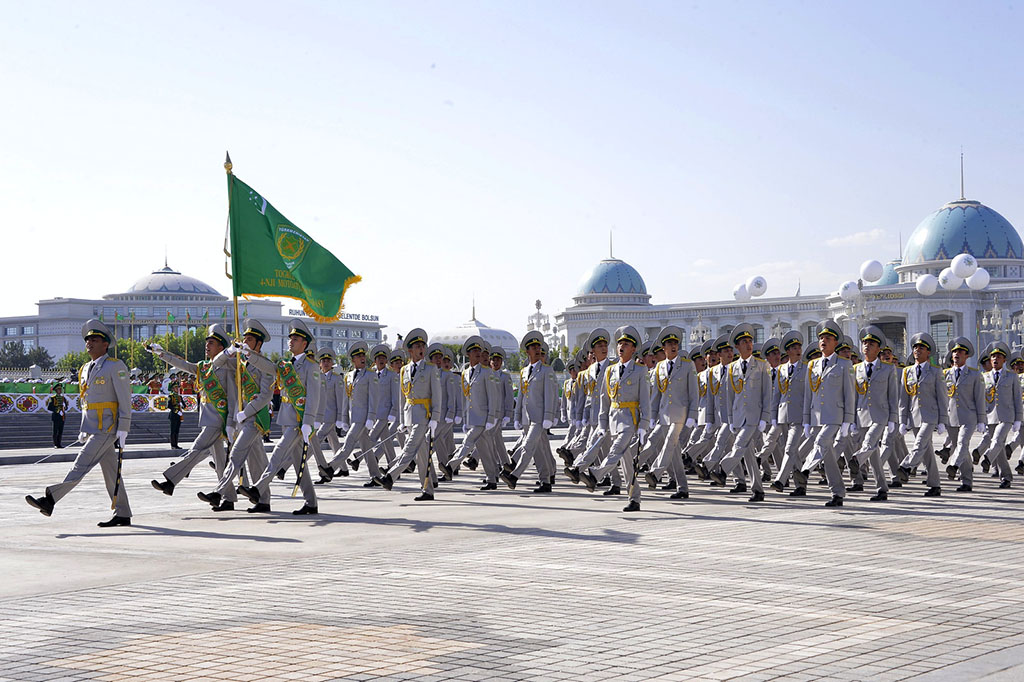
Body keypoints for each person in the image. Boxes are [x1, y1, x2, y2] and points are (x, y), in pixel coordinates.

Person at [26, 320, 133, 527]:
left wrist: (124, 427)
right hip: (94, 428)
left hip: (108, 428)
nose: (89, 343)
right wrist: (84, 428)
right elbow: (87, 402)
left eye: (95, 339)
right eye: (88, 340)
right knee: (111, 473)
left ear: (105, 344)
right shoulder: (85, 368)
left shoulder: (115, 366)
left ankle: (50, 499)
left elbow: (124, 398)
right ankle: (123, 512)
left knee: (81, 464)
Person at [147, 324, 238, 505]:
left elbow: (234, 397)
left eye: (211, 343)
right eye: (207, 343)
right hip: (206, 418)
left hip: (218, 419)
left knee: (196, 449)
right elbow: (182, 364)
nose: (207, 346)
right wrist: (161, 353)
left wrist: (231, 422)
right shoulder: (203, 367)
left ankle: (171, 480)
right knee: (220, 461)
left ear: (221, 348)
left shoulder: (229, 368)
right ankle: (228, 498)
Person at [240, 319, 322, 515]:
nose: (291, 341)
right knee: (297, 463)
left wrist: (308, 422)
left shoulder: (311, 367)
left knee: (278, 453)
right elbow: (267, 366)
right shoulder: (285, 365)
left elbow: (314, 396)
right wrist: (248, 354)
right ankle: (311, 503)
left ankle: (257, 489)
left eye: (295, 338)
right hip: (286, 419)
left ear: (305, 343)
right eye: (290, 338)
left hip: (299, 421)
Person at [579, 325, 650, 512]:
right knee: (627, 462)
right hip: (613, 419)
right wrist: (602, 424)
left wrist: (643, 426)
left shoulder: (640, 371)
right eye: (620, 343)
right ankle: (634, 499)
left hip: (631, 420)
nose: (621, 346)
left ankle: (595, 475)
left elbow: (645, 401)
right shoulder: (610, 371)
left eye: (626, 344)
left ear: (633, 349)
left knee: (616, 450)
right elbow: (604, 400)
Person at [373, 328, 442, 501]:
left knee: (409, 448)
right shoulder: (404, 370)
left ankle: (390, 476)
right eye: (417, 346)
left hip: (423, 416)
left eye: (422, 346)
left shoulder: (430, 369)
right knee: (421, 454)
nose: (421, 349)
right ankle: (428, 490)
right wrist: (403, 420)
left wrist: (435, 418)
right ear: (410, 351)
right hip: (410, 415)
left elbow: (437, 395)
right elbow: (402, 397)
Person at [709, 324, 772, 502]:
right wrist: (729, 420)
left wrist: (764, 417)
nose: (748, 344)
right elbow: (729, 396)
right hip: (738, 416)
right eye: (744, 342)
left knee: (739, 444)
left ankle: (722, 470)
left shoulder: (761, 365)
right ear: (737, 346)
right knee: (749, 454)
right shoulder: (732, 368)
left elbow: (767, 393)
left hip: (754, 416)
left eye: (750, 341)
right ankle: (758, 490)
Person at [798, 319, 854, 507]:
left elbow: (849, 394)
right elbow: (808, 394)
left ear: (835, 342)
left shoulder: (844, 365)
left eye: (828, 338)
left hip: (835, 416)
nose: (824, 341)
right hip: (817, 416)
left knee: (821, 442)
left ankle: (805, 470)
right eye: (821, 337)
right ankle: (837, 493)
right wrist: (806, 420)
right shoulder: (812, 365)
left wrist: (848, 421)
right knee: (829, 457)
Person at [640, 325, 698, 501]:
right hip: (664, 415)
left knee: (670, 442)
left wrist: (693, 415)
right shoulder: (659, 368)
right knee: (674, 452)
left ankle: (656, 472)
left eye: (675, 343)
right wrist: (651, 417)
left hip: (681, 414)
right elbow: (656, 396)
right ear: (663, 348)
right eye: (669, 343)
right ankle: (683, 487)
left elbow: (694, 393)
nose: (673, 346)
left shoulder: (688, 366)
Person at [501, 331, 558, 493]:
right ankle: (545, 481)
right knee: (538, 451)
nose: (537, 349)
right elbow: (521, 396)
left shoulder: (546, 370)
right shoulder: (524, 371)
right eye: (533, 347)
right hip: (527, 417)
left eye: (538, 346)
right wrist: (517, 416)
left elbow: (550, 395)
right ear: (527, 351)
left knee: (527, 446)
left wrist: (549, 416)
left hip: (540, 417)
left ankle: (514, 476)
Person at [848, 325, 899, 501]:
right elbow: (853, 396)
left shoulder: (887, 369)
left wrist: (893, 419)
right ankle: (880, 488)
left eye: (871, 344)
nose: (867, 346)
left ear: (878, 349)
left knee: (869, 442)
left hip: (880, 415)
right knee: (874, 454)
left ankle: (856, 460)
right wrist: (851, 418)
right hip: (861, 415)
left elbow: (893, 395)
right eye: (865, 343)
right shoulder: (856, 369)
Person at [895, 332, 948, 497]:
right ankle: (935, 484)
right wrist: (903, 421)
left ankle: (905, 466)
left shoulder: (935, 371)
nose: (917, 350)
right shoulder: (907, 372)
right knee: (926, 451)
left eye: (921, 348)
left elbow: (942, 397)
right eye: (915, 347)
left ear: (928, 352)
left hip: (930, 416)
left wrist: (942, 420)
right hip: (914, 416)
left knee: (919, 444)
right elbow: (904, 399)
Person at [447, 335, 502, 489]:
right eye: (474, 350)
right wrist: (465, 420)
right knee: (484, 450)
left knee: (468, 441)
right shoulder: (465, 373)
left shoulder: (486, 372)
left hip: (484, 417)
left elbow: (493, 396)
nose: (478, 353)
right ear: (468, 354)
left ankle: (451, 466)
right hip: (473, 417)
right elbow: (465, 399)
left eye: (479, 350)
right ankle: (492, 478)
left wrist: (492, 417)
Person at [943, 337, 988, 492]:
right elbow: (942, 399)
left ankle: (953, 465)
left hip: (969, 417)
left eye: (960, 352)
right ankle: (967, 481)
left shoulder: (975, 375)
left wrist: (981, 420)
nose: (957, 354)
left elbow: (979, 398)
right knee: (961, 448)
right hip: (951, 418)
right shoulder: (945, 375)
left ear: (967, 356)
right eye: (955, 351)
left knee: (962, 444)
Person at [979, 342, 1021, 489]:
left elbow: (1017, 399)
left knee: (996, 440)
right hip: (990, 416)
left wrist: (1018, 419)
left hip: (1007, 416)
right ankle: (1006, 477)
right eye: (993, 356)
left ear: (1004, 360)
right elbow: (981, 400)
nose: (995, 359)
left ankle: (987, 458)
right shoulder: (983, 377)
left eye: (999, 356)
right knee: (1001, 449)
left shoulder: (1011, 376)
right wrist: (981, 418)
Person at [312, 347, 348, 485]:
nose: (326, 363)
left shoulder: (337, 379)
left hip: (332, 416)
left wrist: (340, 417)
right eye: (323, 361)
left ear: (332, 363)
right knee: (334, 442)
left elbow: (341, 399)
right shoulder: (318, 377)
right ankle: (343, 468)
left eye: (328, 360)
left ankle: (324, 471)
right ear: (319, 363)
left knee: (316, 439)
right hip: (321, 416)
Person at [46, 383, 69, 448]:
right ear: (56, 390)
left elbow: (66, 406)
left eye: (60, 389)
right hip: (56, 416)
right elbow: (49, 407)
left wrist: (65, 407)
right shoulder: (53, 398)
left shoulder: (63, 398)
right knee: (55, 431)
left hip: (62, 416)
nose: (60, 390)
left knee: (60, 431)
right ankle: (55, 444)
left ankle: (59, 443)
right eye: (59, 389)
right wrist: (57, 410)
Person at [167, 381, 184, 449]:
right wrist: (176, 411)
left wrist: (182, 405)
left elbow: (184, 405)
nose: (177, 389)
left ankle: (176, 444)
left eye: (177, 387)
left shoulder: (179, 396)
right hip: (173, 415)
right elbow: (169, 406)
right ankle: (173, 445)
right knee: (173, 430)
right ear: (173, 389)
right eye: (176, 387)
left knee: (177, 430)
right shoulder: (170, 396)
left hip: (179, 415)